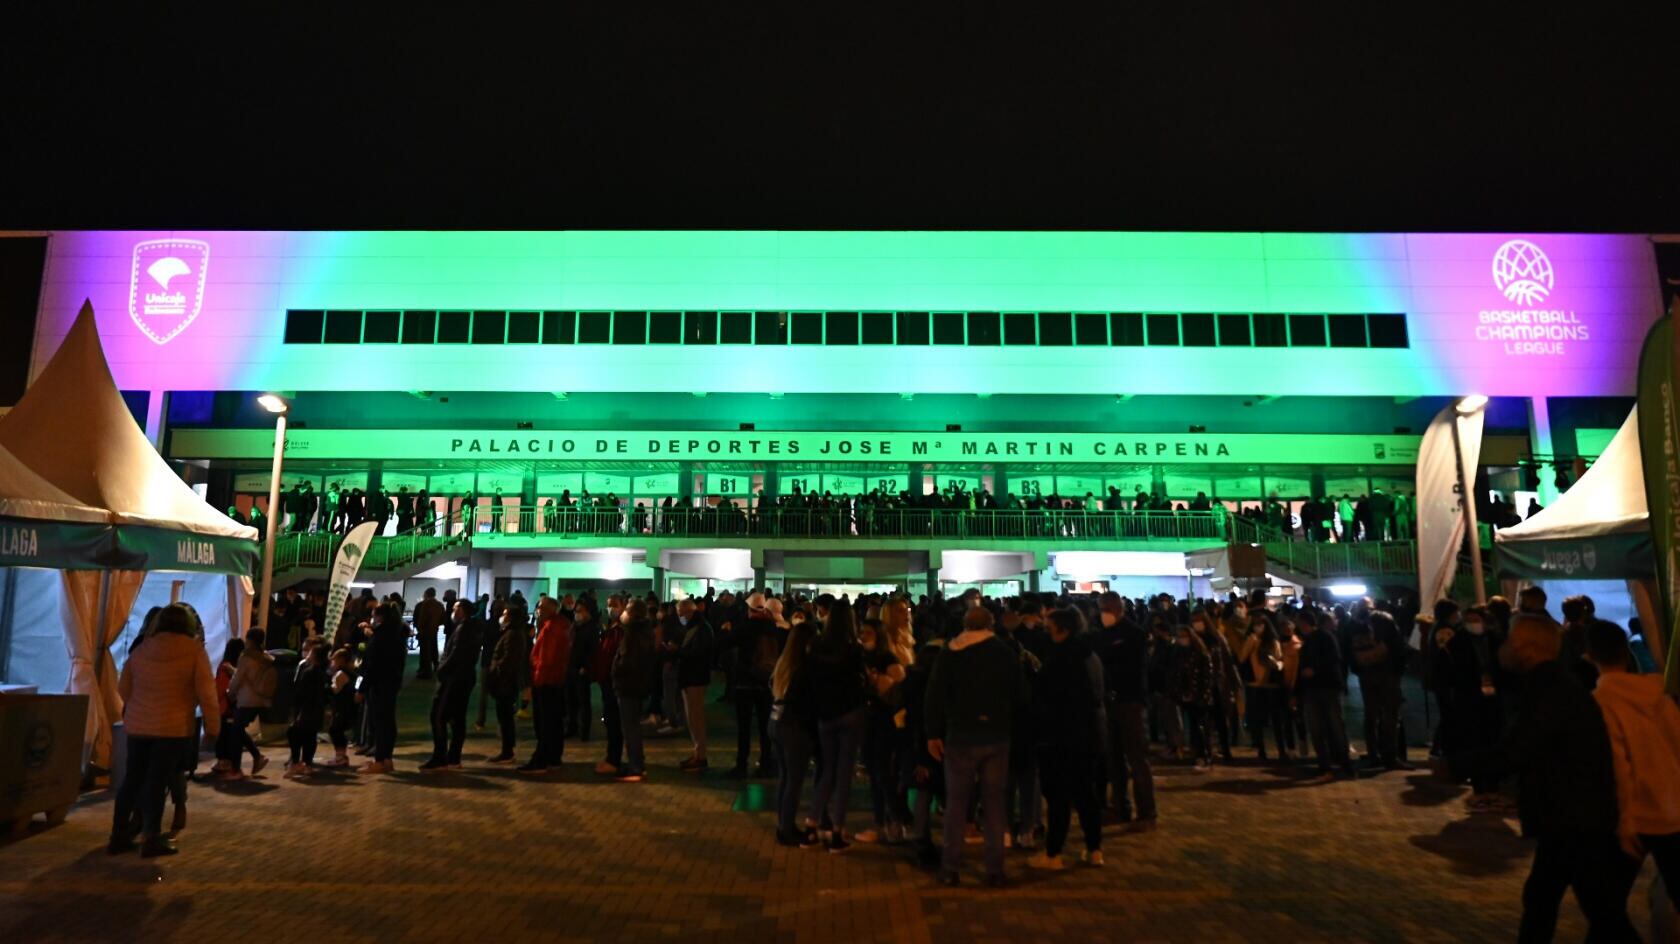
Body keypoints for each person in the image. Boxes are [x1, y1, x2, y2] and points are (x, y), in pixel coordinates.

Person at [1498, 614, 1638, 943]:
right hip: (1578, 815)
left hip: (1579, 816)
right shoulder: (1569, 687)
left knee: (1600, 909)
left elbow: (1520, 747)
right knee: (1548, 898)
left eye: (1509, 641)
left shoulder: (1566, 692)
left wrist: (1458, 766)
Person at [925, 606, 1029, 887]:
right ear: (991, 625)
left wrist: (933, 733)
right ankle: (994, 869)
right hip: (996, 736)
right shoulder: (1004, 653)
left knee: (956, 804)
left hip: (960, 735)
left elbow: (935, 694)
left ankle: (950, 867)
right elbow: (1019, 696)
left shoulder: (950, 653)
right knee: (995, 804)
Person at [109, 604, 221, 858]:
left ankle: (117, 835)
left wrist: (141, 705)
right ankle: (151, 837)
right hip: (172, 728)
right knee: (156, 782)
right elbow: (207, 693)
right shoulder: (194, 651)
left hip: (138, 726)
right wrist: (213, 728)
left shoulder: (142, 649)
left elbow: (123, 688)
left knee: (132, 779)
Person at [1585, 619, 1680, 914]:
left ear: (1589, 656)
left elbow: (1619, 764)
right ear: (1626, 653)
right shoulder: (1660, 692)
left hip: (1636, 815)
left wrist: (1624, 820)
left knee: (1605, 904)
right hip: (1674, 808)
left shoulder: (1601, 701)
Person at [1026, 607, 1107, 870]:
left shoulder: (1059, 659)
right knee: (1086, 795)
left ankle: (1053, 853)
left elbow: (1045, 698)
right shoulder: (1090, 655)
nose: (1046, 632)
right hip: (1089, 735)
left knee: (1059, 798)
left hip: (1061, 738)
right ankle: (1094, 849)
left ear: (1063, 629)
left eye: (1050, 627)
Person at [807, 598, 870, 852]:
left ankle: (812, 823)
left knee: (827, 771)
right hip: (850, 712)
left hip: (825, 714)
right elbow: (861, 680)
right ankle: (836, 830)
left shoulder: (818, 646)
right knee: (844, 774)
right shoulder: (854, 648)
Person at [1093, 592, 1156, 829]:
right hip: (1111, 702)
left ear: (1116, 608)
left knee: (1137, 759)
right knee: (1114, 759)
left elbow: (1126, 666)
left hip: (1130, 702)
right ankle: (1121, 807)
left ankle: (1147, 812)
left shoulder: (1134, 634)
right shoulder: (1103, 634)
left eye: (1104, 608)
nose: (1102, 614)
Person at [771, 614, 818, 845]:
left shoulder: (784, 663)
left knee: (785, 777)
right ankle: (787, 828)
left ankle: (783, 824)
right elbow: (807, 700)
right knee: (794, 780)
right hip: (794, 726)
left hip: (777, 720)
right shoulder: (805, 667)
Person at [422, 600, 485, 771]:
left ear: (463, 611)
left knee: (439, 716)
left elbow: (455, 655)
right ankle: (453, 758)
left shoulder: (464, 629)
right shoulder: (471, 628)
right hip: (464, 678)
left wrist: (442, 670)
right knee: (457, 719)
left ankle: (440, 757)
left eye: (456, 608)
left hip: (454, 679)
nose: (452, 611)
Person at [1348, 609, 1410, 770]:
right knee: (1390, 717)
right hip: (1388, 676)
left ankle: (1373, 754)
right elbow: (1399, 651)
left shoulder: (1360, 629)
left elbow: (1350, 655)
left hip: (1367, 676)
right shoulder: (1389, 626)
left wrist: (1360, 671)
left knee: (1371, 716)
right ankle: (1390, 757)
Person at [1298, 611, 1354, 782]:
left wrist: (1313, 670)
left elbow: (1333, 659)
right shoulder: (1311, 640)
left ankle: (1339, 763)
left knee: (1331, 726)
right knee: (1322, 728)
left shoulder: (1323, 638)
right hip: (1317, 689)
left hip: (1326, 687)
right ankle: (1329, 764)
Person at [521, 597, 573, 774]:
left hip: (546, 680)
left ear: (551, 609)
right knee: (554, 721)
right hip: (555, 679)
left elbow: (546, 659)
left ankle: (541, 759)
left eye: (541, 607)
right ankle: (553, 757)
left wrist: (537, 679)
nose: (538, 610)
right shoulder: (561, 625)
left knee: (545, 723)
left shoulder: (551, 628)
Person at [610, 599, 657, 782]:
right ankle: (635, 763)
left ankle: (636, 766)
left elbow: (629, 662)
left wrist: (616, 672)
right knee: (632, 726)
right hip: (635, 685)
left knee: (630, 728)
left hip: (629, 685)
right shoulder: (643, 632)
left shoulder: (634, 634)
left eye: (626, 610)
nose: (623, 613)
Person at [222, 627, 277, 779]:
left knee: (235, 732)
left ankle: (236, 769)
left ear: (249, 640)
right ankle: (257, 757)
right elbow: (251, 676)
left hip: (247, 700)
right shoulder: (265, 657)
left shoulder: (246, 657)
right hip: (261, 699)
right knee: (238, 730)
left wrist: (230, 693)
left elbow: (239, 679)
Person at [359, 603, 406, 774]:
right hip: (391, 683)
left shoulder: (380, 637)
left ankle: (379, 760)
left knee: (379, 723)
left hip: (379, 684)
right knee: (387, 722)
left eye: (374, 615)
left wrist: (362, 688)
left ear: (380, 617)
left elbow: (372, 665)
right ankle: (387, 759)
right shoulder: (397, 633)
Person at [1238, 611, 1289, 762]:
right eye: (1255, 625)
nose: (1258, 628)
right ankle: (1261, 750)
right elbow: (1242, 658)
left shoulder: (1273, 641)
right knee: (1257, 719)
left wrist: (1276, 664)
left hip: (1270, 684)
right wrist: (1250, 643)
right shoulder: (1251, 640)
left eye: (1260, 625)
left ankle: (1281, 750)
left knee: (1276, 719)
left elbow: (1280, 660)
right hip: (1255, 684)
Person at [674, 597, 714, 773]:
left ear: (690, 612)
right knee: (693, 717)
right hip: (691, 677)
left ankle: (700, 755)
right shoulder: (696, 627)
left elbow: (698, 654)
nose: (680, 617)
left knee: (695, 717)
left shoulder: (700, 629)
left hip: (695, 678)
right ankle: (698, 753)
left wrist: (678, 651)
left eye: (682, 614)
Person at [1170, 621, 1216, 770]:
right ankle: (1197, 754)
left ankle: (1204, 756)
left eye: (1184, 636)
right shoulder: (1178, 653)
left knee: (1200, 727)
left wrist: (1201, 695)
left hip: (1199, 697)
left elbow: (1207, 678)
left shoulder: (1201, 654)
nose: (1182, 639)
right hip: (1185, 697)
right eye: (1180, 637)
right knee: (1192, 727)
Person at [284, 641, 328, 778]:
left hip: (305, 710)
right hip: (316, 710)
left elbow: (301, 693)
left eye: (310, 652)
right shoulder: (322, 672)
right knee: (310, 737)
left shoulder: (308, 672)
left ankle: (296, 763)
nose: (307, 655)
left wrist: (297, 711)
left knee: (294, 734)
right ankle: (307, 764)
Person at [324, 648, 357, 767]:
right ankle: (341, 756)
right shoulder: (350, 672)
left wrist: (325, 686)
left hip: (342, 708)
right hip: (347, 707)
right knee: (337, 730)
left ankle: (340, 756)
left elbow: (334, 690)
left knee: (335, 730)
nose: (332, 663)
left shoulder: (340, 674)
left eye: (334, 660)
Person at [412, 587, 447, 681]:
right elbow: (443, 619)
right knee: (433, 648)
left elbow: (419, 618)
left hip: (424, 631)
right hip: (434, 630)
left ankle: (426, 671)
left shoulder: (423, 604)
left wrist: (419, 628)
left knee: (425, 652)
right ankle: (436, 666)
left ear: (426, 594)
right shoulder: (439, 605)